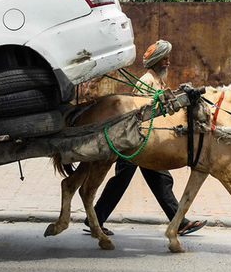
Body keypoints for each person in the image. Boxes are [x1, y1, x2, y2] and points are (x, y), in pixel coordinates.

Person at [84, 39, 207, 236]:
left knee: (151, 179)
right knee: (144, 179)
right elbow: (141, 112)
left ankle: (96, 219)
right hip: (135, 140)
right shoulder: (147, 81)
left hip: (143, 141)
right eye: (165, 58)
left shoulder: (157, 80)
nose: (168, 62)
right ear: (157, 61)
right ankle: (179, 222)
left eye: (168, 58)